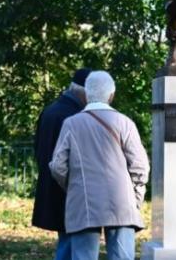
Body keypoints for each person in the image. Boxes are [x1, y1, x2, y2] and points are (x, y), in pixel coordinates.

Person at [49, 70, 150, 260]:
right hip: (121, 201)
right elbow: (140, 166)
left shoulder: (71, 124)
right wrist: (135, 197)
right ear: (112, 95)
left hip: (84, 201)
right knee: (122, 257)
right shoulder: (125, 123)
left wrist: (74, 186)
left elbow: (57, 166)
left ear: (86, 95)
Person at [32, 67, 91, 260]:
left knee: (66, 239)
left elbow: (38, 149)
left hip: (51, 184)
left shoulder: (50, 110)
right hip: (67, 188)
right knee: (70, 242)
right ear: (83, 91)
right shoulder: (75, 116)